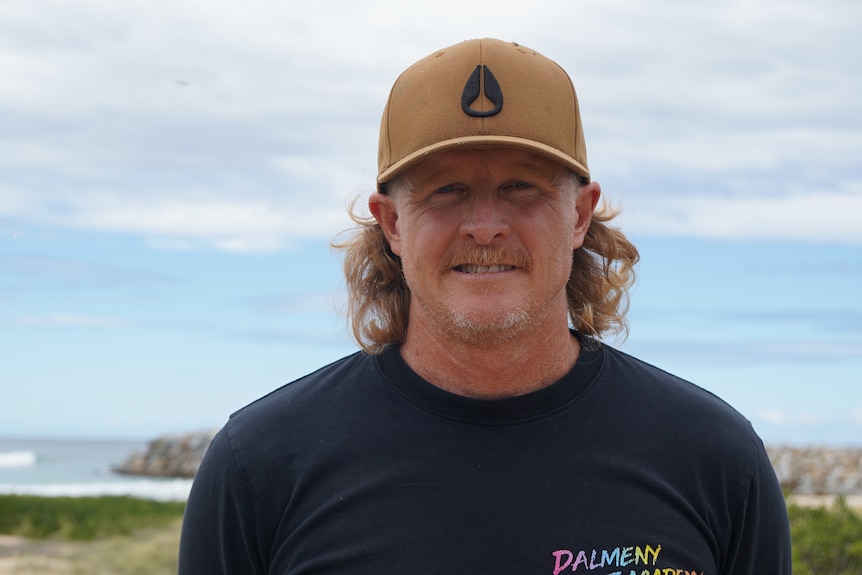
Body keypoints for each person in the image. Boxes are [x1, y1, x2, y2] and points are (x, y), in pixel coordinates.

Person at [178, 38, 791, 574]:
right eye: (448, 191)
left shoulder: (713, 457)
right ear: (391, 223)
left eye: (521, 186)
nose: (485, 226)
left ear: (578, 214)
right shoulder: (259, 465)